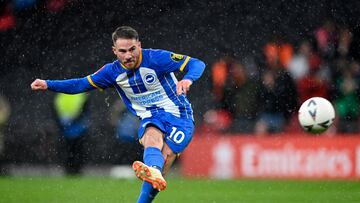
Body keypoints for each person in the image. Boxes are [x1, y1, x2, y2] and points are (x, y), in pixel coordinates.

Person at [31, 26, 205, 202]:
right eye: (122, 51)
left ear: (139, 45)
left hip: (180, 116)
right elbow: (80, 84)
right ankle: (153, 169)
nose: (128, 55)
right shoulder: (111, 72)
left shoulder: (156, 58)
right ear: (114, 51)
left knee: (164, 160)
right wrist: (48, 84)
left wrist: (188, 78)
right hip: (151, 117)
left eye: (132, 49)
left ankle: (154, 171)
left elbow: (197, 63)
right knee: (151, 137)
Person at [53, 92, 90, 175]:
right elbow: (84, 111)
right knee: (77, 150)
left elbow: (55, 110)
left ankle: (69, 169)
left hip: (66, 127)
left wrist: (63, 121)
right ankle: (75, 169)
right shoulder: (81, 95)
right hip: (76, 128)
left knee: (69, 150)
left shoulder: (60, 95)